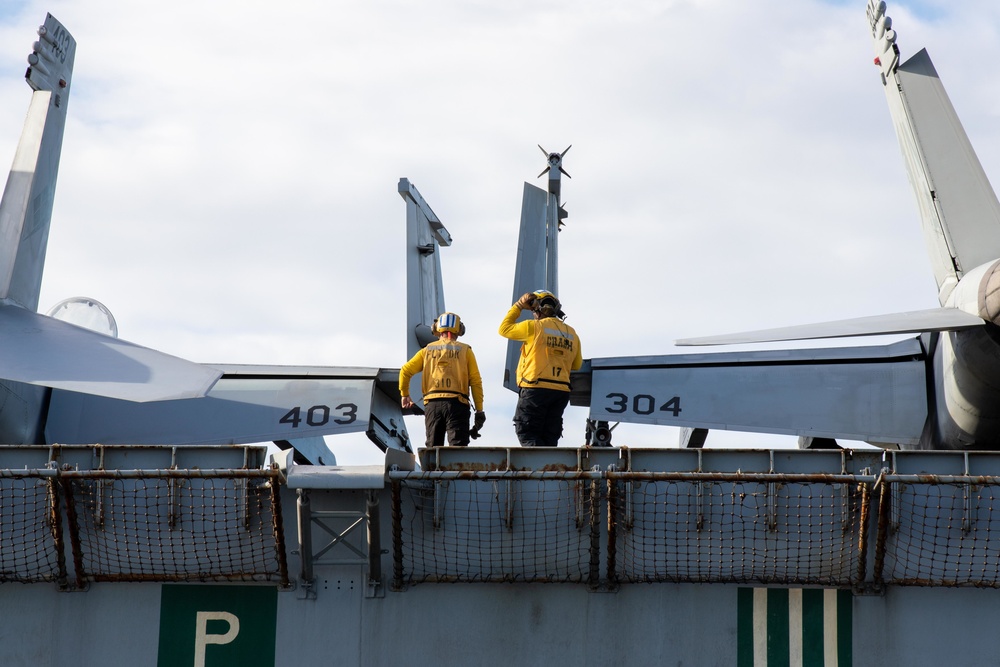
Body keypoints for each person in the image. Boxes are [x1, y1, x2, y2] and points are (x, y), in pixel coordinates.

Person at [498, 290, 582, 447]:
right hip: (561, 391)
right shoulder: (572, 333)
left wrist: (518, 306)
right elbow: (577, 365)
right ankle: (549, 467)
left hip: (535, 389)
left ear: (537, 309)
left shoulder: (533, 327)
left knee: (527, 431)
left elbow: (504, 329)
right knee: (550, 436)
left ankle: (537, 467)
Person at [399, 312, 486, 447]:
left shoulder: (426, 350)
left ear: (436, 328)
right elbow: (475, 381)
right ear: (459, 329)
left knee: (433, 451)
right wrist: (479, 410)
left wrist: (405, 394)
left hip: (433, 405)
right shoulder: (466, 351)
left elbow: (405, 371)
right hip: (458, 404)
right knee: (458, 451)